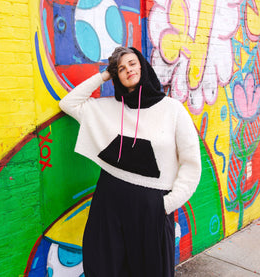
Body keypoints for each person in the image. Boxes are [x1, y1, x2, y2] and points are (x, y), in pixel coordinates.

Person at [59, 47, 201, 277]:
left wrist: (168, 204)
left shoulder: (172, 109)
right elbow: (69, 103)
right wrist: (105, 74)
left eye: (133, 63)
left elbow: (191, 163)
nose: (128, 70)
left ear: (143, 65)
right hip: (109, 201)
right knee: (104, 267)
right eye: (121, 68)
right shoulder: (109, 108)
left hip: (151, 205)